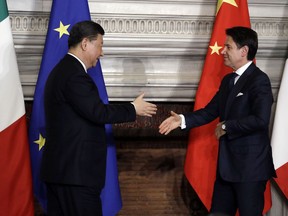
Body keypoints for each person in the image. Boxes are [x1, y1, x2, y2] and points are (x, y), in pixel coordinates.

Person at [40, 20, 157, 216]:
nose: (101, 53)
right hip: (75, 176)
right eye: (100, 45)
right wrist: (132, 108)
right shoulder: (74, 75)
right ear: (85, 43)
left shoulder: (62, 71)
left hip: (63, 173)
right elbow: (98, 112)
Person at [159, 26, 276, 216]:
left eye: (228, 47)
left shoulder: (259, 80)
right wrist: (181, 120)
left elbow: (260, 120)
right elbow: (209, 112)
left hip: (250, 170)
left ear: (244, 51)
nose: (222, 51)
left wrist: (227, 125)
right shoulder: (228, 80)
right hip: (226, 168)